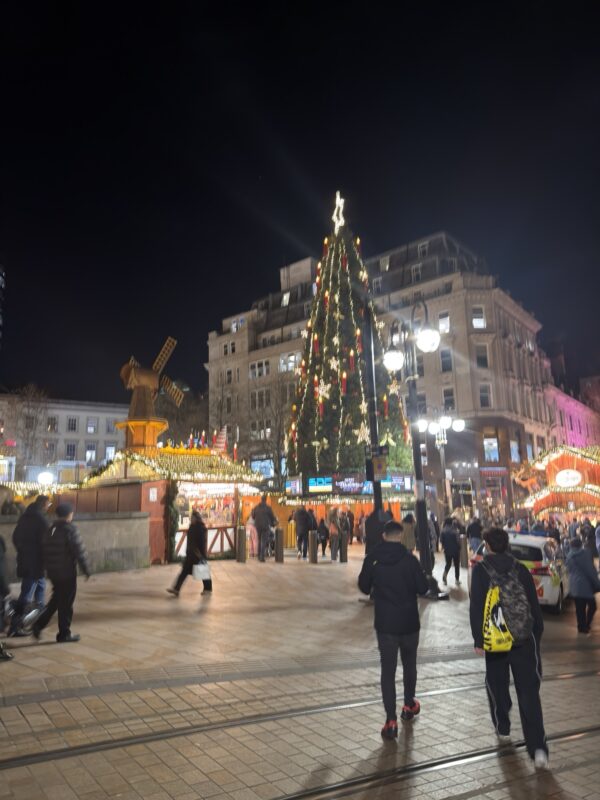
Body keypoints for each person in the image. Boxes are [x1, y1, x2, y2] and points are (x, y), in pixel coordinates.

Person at [469, 527, 548, 769]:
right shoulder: (520, 569)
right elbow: (534, 606)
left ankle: (503, 723)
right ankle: (538, 751)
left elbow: (477, 607)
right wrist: (536, 633)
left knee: (496, 684)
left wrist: (478, 640)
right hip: (523, 640)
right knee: (529, 694)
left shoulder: (481, 571)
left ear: (488, 546)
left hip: (496, 640)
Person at [358, 519, 429, 739]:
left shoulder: (373, 559)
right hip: (409, 622)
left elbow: (363, 586)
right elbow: (423, 587)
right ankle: (408, 705)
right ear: (400, 536)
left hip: (386, 624)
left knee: (387, 671)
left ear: (383, 536)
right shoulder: (410, 560)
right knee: (409, 666)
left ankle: (390, 720)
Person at [32, 502, 90, 644]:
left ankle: (38, 625)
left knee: (56, 601)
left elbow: (44, 551)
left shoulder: (51, 529)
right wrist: (86, 568)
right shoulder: (69, 529)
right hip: (67, 573)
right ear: (69, 514)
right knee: (66, 604)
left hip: (53, 572)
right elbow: (78, 550)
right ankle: (64, 634)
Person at [8, 495, 50, 637]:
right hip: (35, 564)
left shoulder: (24, 517)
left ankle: (36, 622)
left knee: (40, 589)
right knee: (26, 594)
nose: (48, 507)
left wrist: (23, 550)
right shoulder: (41, 520)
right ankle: (15, 626)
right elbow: (46, 543)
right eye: (48, 505)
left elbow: (15, 537)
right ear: (44, 504)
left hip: (26, 561)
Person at [168, 510, 211, 596]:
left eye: (193, 517)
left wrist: (202, 555)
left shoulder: (200, 528)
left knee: (202, 571)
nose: (191, 519)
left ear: (196, 518)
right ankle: (176, 588)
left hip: (197, 554)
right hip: (191, 554)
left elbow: (202, 543)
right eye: (191, 517)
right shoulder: (192, 527)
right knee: (184, 572)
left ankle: (208, 589)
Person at [566, 536, 600, 634]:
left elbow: (569, 571)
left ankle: (581, 627)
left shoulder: (569, 556)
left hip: (575, 587)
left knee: (579, 609)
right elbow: (591, 571)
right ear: (581, 544)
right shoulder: (586, 554)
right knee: (592, 606)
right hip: (586, 586)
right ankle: (586, 625)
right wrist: (597, 583)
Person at [251, 495, 277, 562]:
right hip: (265, 526)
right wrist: (273, 523)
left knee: (259, 540)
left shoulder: (256, 507)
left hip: (257, 526)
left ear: (261, 499)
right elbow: (272, 516)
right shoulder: (268, 508)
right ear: (265, 500)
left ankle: (259, 555)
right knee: (263, 541)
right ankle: (261, 557)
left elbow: (253, 516)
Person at [441, 517, 461, 586]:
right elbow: (458, 540)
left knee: (448, 564)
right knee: (456, 565)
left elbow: (441, 541)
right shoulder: (455, 530)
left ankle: (445, 574)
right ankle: (457, 580)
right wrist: (459, 546)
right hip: (455, 550)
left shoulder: (443, 530)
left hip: (447, 550)